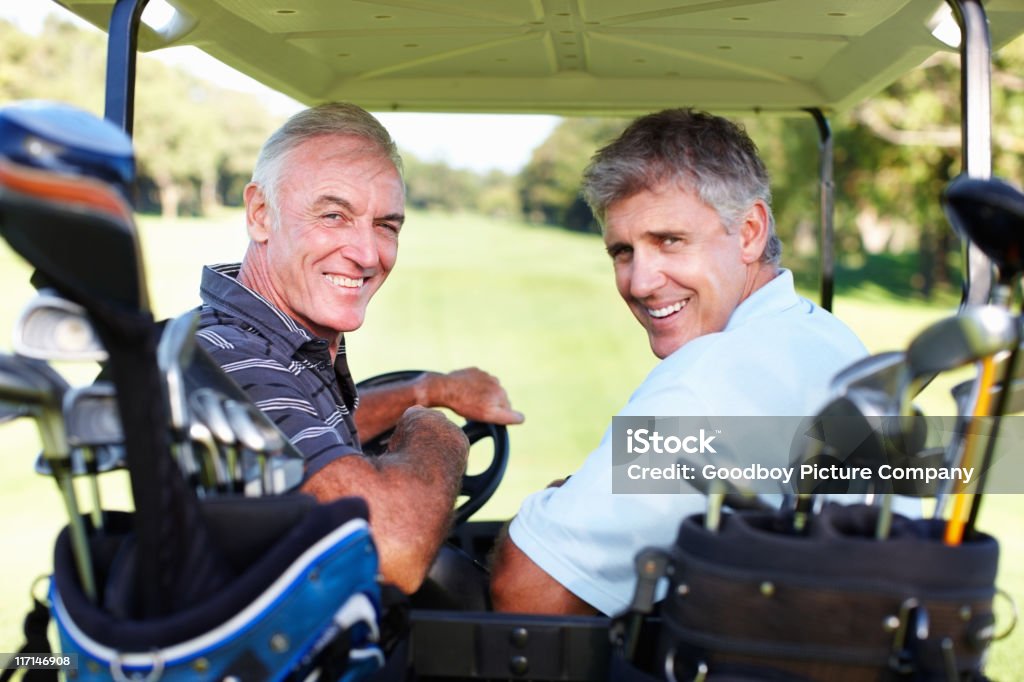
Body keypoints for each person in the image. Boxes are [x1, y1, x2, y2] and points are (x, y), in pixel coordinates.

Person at [489, 108, 868, 615]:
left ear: (751, 231)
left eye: (670, 241)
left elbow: (527, 594)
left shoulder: (711, 382)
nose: (640, 282)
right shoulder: (824, 337)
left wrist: (564, 496)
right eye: (622, 252)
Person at [194, 102, 524, 594]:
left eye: (386, 226)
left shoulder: (275, 342)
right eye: (333, 215)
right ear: (261, 215)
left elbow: (307, 433)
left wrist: (428, 390)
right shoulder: (233, 359)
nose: (368, 255)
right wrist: (435, 430)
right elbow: (393, 550)